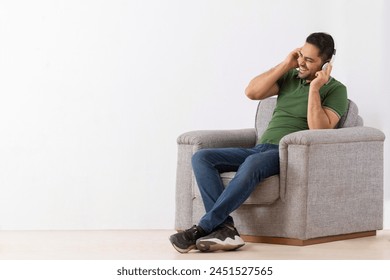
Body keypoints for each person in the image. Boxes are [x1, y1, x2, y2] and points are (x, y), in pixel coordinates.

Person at [169, 32, 348, 253]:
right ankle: (225, 229)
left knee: (252, 163)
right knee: (201, 157)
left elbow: (319, 130)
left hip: (286, 154)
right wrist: (286, 64)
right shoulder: (290, 77)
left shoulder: (336, 90)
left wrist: (314, 88)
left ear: (326, 63)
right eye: (302, 55)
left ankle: (202, 228)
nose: (302, 62)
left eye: (310, 60)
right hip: (260, 148)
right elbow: (251, 92)